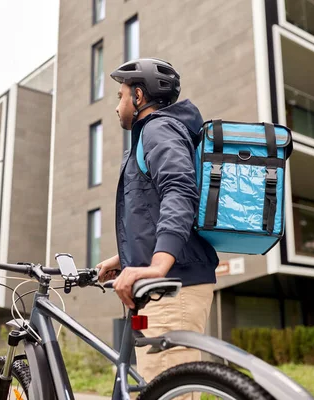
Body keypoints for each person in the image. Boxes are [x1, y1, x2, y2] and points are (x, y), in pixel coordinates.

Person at [97, 58, 219, 388]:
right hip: (161, 290)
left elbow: (179, 191)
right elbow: (152, 214)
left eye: (120, 95)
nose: (117, 106)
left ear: (138, 96)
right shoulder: (153, 135)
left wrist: (156, 268)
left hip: (171, 289)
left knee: (167, 391)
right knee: (145, 388)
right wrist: (124, 258)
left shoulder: (158, 129)